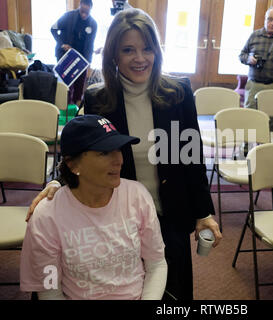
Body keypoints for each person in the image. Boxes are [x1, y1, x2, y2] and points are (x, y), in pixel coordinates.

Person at [27, 8, 222, 300]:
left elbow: (191, 157)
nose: (140, 58)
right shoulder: (98, 98)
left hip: (171, 210)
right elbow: (83, 149)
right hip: (118, 216)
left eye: (147, 49)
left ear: (157, 51)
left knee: (173, 291)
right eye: (128, 49)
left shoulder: (178, 91)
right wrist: (59, 182)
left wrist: (204, 212)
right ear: (114, 55)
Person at [20, 114, 168, 300]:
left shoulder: (137, 196)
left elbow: (156, 264)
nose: (118, 160)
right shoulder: (46, 216)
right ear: (73, 164)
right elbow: (50, 290)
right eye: (104, 152)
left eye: (118, 149)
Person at [51, 0, 97, 106]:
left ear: (91, 9)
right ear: (80, 6)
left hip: (81, 59)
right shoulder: (68, 16)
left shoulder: (93, 23)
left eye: (87, 12)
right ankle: (63, 108)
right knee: (66, 87)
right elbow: (53, 29)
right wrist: (62, 44)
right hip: (65, 56)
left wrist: (88, 62)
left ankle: (76, 110)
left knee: (79, 87)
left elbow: (90, 44)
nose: (84, 14)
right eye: (82, 11)